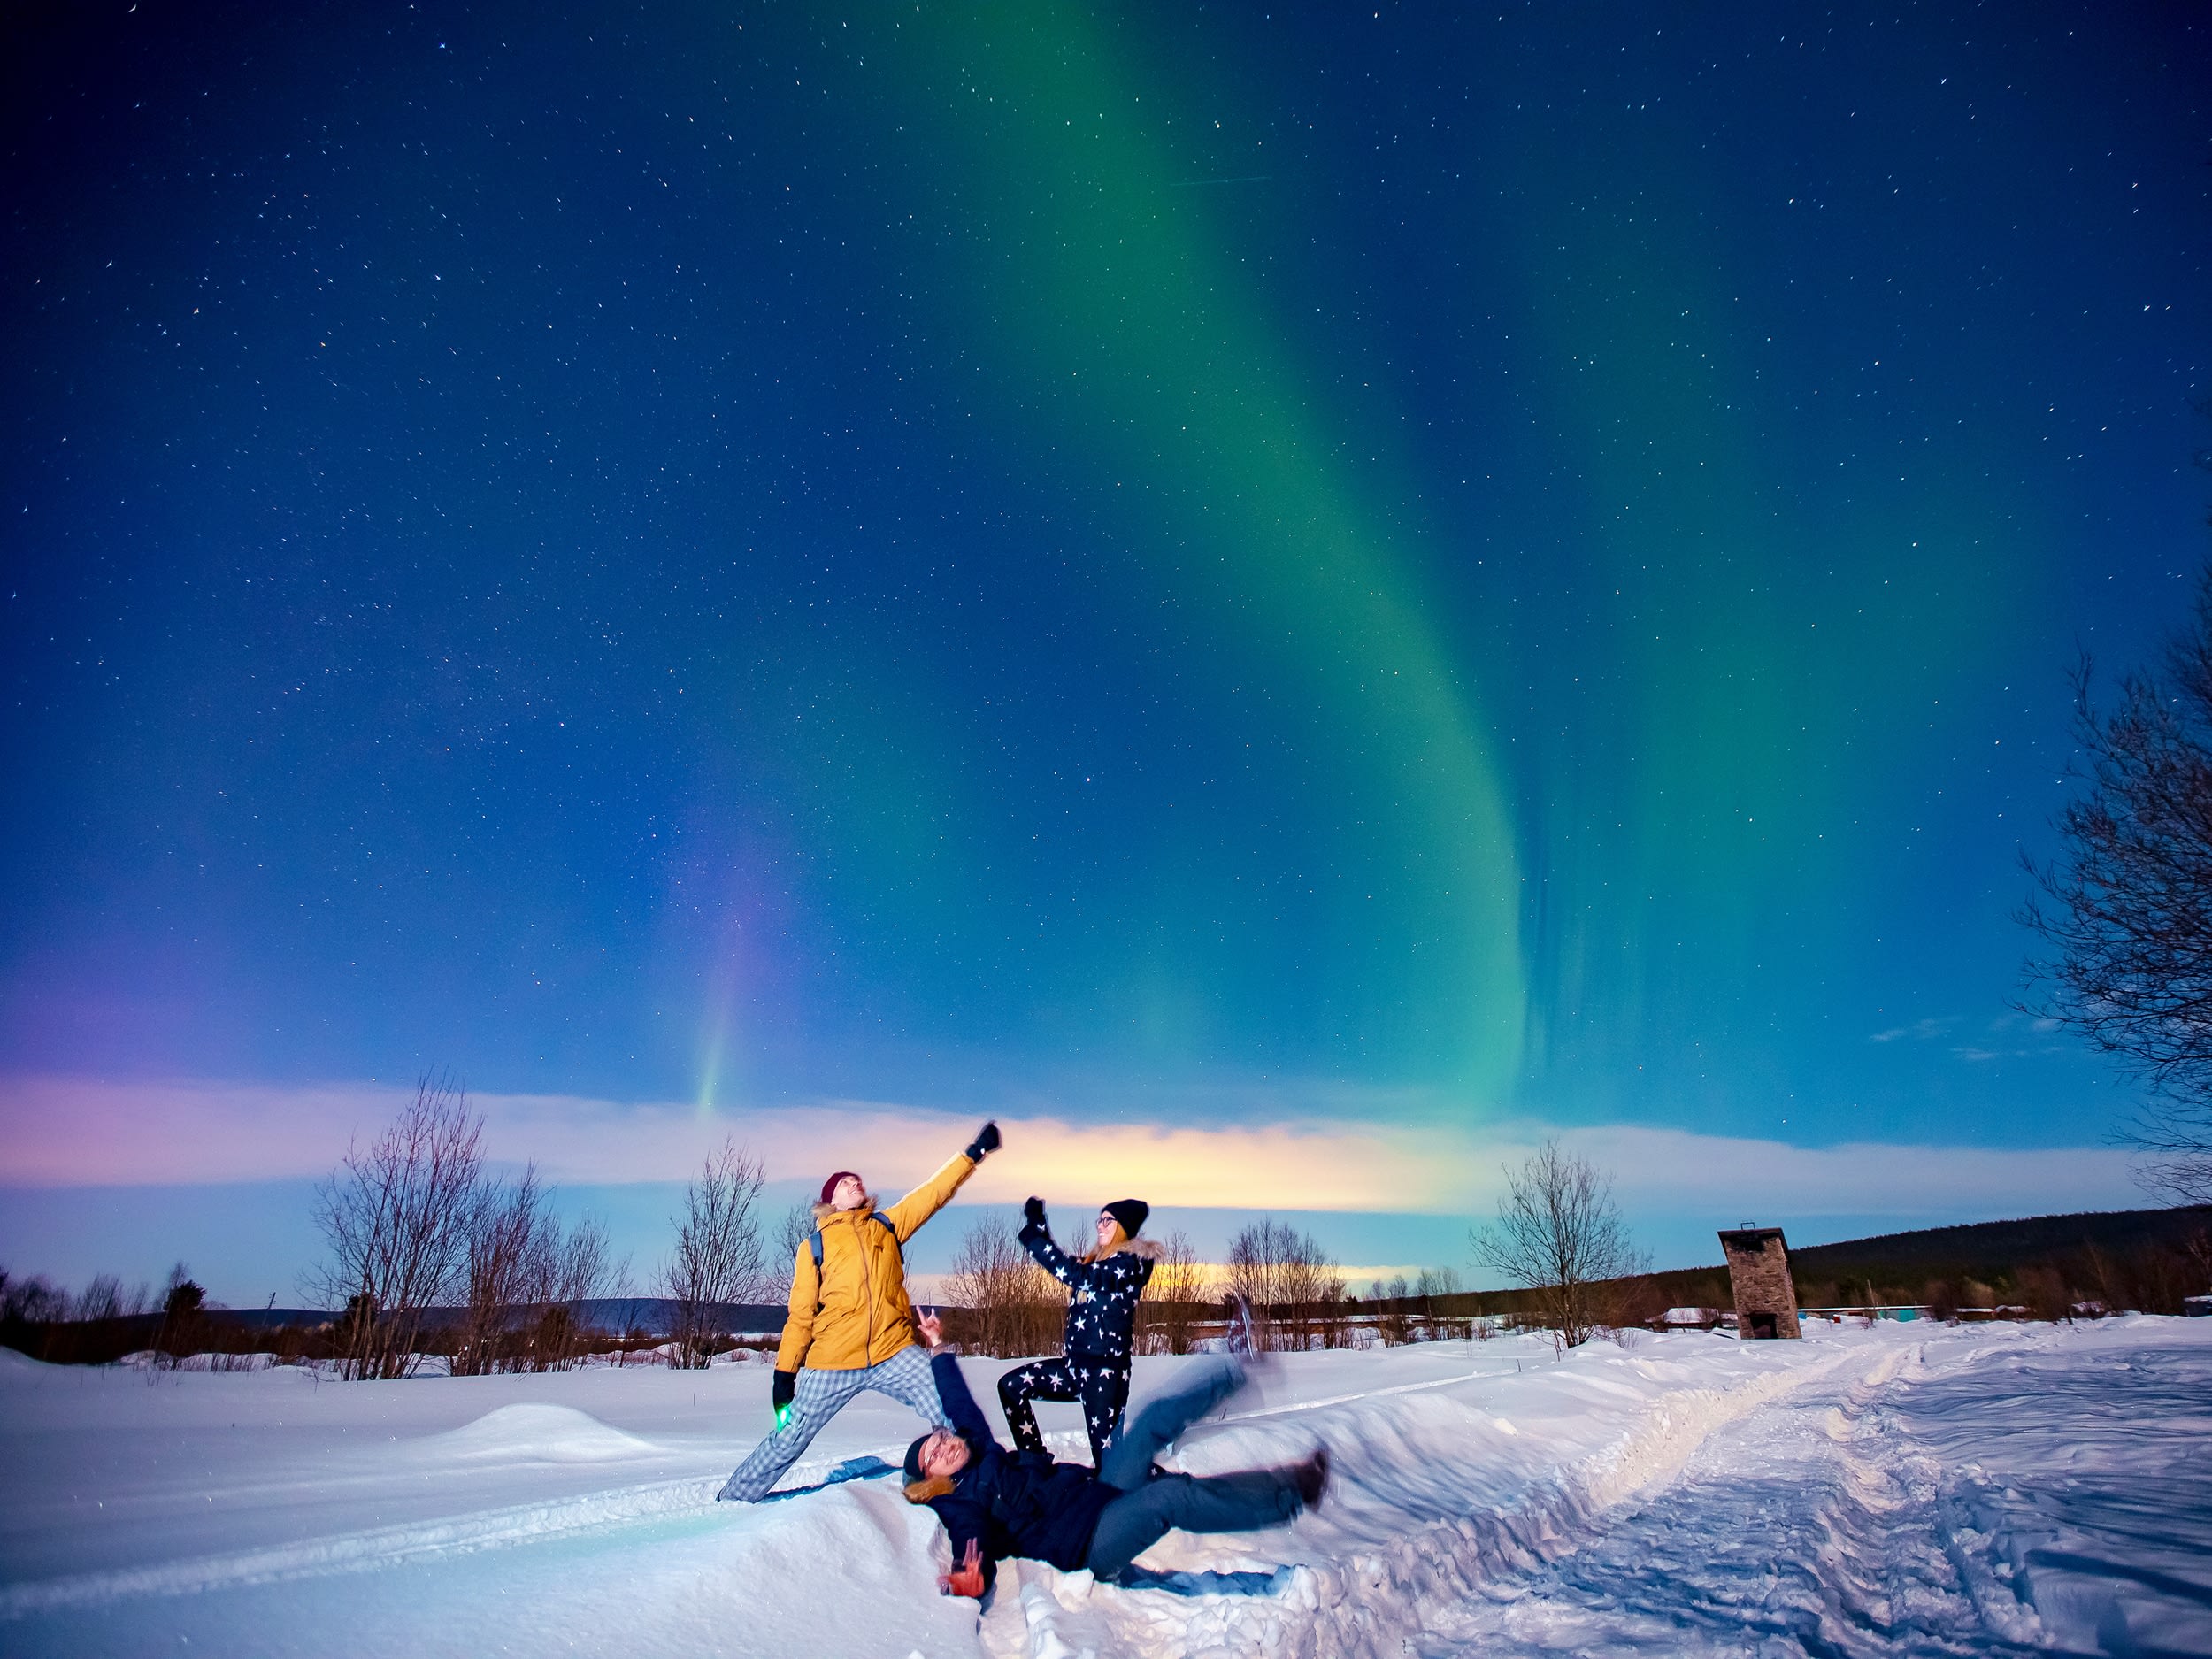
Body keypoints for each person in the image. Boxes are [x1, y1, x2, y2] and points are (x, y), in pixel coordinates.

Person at [902, 1312, 1326, 1597]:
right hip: (1088, 1546)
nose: (945, 1445)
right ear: (931, 1480)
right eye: (934, 1455)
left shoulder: (978, 1450)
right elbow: (968, 1535)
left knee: (1148, 1423)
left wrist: (938, 1347)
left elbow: (958, 1403)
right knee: (1170, 1497)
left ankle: (1237, 1365)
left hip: (1097, 1495)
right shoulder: (960, 1500)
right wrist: (968, 1577)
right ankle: (1293, 1492)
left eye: (938, 1438)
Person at [715, 1121, 1002, 1502]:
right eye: (845, 1183)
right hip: (832, 1362)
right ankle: (732, 1500)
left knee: (950, 1407)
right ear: (831, 1201)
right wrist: (784, 1375)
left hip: (892, 1352)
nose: (855, 1184)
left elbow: (932, 1194)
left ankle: (977, 1485)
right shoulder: (814, 1247)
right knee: (788, 1438)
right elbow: (800, 1317)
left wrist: (973, 1154)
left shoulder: (886, 1226)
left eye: (857, 1180)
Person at [999, 1196, 1158, 1463]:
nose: (1100, 1225)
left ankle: (1165, 1495)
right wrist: (1037, 1225)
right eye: (1100, 1219)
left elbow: (1073, 1274)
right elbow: (1068, 1265)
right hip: (1074, 1369)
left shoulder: (1130, 1265)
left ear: (1123, 1227)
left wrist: (1032, 1240)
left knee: (1111, 1468)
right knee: (1011, 1387)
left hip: (1105, 1376)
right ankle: (1035, 1465)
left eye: (1108, 1220)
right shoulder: (1096, 1264)